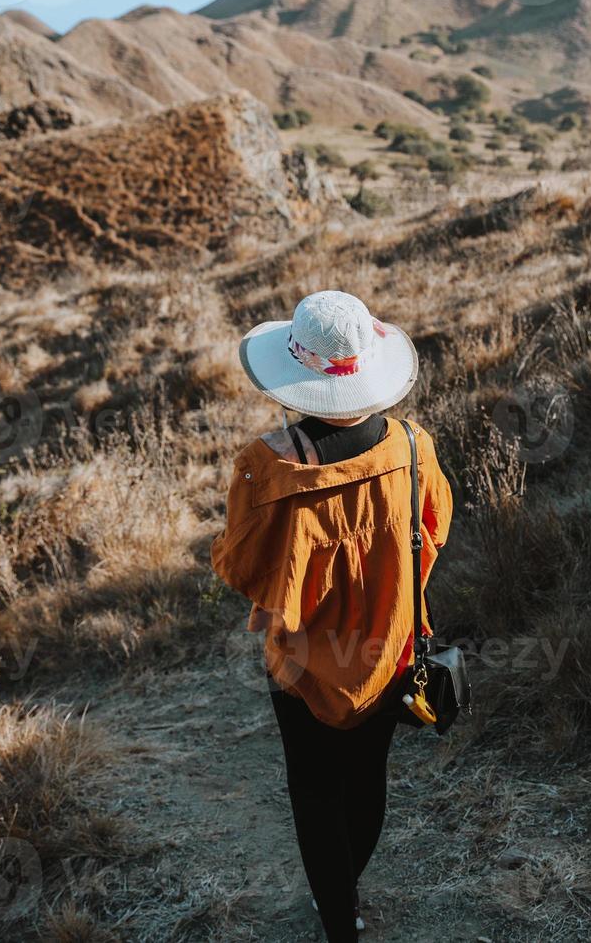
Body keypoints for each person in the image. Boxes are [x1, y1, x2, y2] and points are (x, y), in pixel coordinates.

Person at [211, 290, 454, 942]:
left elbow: (242, 569)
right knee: (366, 775)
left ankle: (339, 920)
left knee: (315, 789)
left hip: (301, 663)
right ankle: (345, 892)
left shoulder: (268, 465)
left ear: (297, 374)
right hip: (390, 645)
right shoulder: (411, 446)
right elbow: (433, 533)